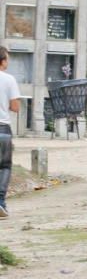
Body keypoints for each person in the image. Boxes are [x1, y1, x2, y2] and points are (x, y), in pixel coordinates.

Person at [0, 46, 21, 219]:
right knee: (4, 166)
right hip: (2, 128)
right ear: (2, 61)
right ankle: (0, 202)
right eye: (7, 58)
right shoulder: (9, 79)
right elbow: (15, 107)